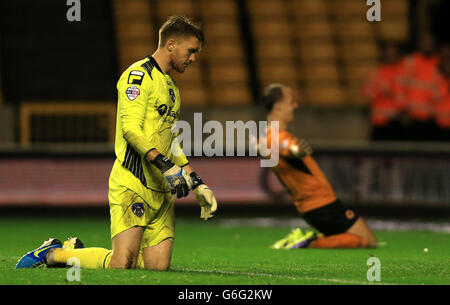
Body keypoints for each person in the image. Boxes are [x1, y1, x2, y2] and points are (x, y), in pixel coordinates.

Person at [16, 15, 217, 270]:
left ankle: (78, 252)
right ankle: (53, 255)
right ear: (171, 44)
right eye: (191, 51)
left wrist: (197, 181)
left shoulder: (171, 88)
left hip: (161, 191)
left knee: (158, 268)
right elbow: (130, 130)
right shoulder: (137, 76)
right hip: (132, 182)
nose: (193, 58)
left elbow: (170, 140)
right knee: (122, 264)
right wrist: (167, 167)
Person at [260, 83, 377, 249]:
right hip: (321, 204)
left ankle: (307, 240)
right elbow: (287, 147)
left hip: (313, 206)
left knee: (361, 239)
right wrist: (296, 150)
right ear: (278, 106)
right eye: (291, 101)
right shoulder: (277, 137)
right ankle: (308, 242)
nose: (295, 105)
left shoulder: (268, 137)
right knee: (366, 241)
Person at [362, 41, 408, 141]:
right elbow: (368, 100)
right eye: (388, 51)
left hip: (399, 125)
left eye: (393, 51)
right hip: (380, 125)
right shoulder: (375, 75)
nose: (390, 54)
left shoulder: (405, 73)